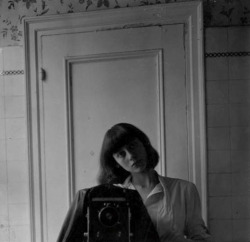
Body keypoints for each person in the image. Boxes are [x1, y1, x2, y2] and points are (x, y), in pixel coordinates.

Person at [57, 123, 212, 242]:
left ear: (144, 145)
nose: (131, 156)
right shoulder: (110, 199)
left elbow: (202, 239)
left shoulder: (184, 189)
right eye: (121, 154)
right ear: (115, 162)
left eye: (132, 146)